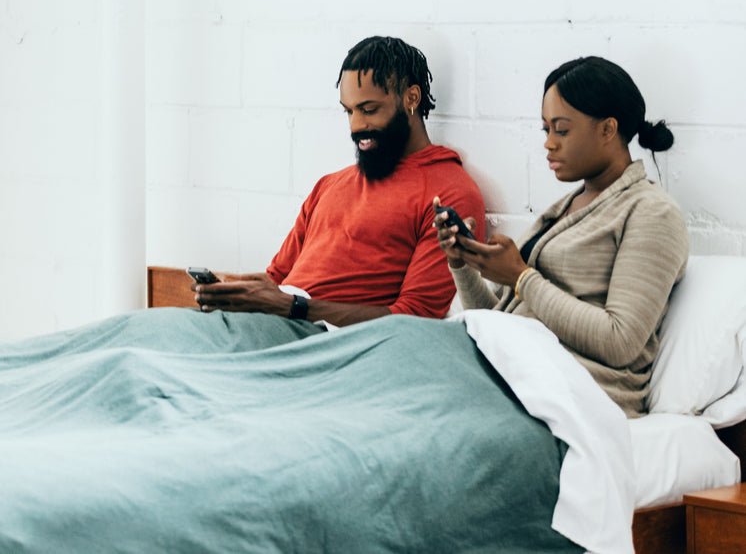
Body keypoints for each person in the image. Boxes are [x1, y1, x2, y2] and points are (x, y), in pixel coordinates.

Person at [434, 55, 689, 417]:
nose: (549, 144)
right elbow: (497, 320)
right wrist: (461, 263)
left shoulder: (652, 213)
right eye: (546, 130)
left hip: (573, 396)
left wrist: (521, 277)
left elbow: (621, 341)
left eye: (562, 130)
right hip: (511, 372)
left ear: (607, 129)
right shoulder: (566, 207)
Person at [193, 35, 485, 327]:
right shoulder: (330, 185)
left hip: (321, 338)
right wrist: (230, 292)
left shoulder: (449, 194)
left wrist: (294, 307)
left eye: (369, 110)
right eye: (349, 111)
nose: (356, 126)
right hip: (274, 323)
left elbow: (415, 317)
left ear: (411, 98)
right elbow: (275, 280)